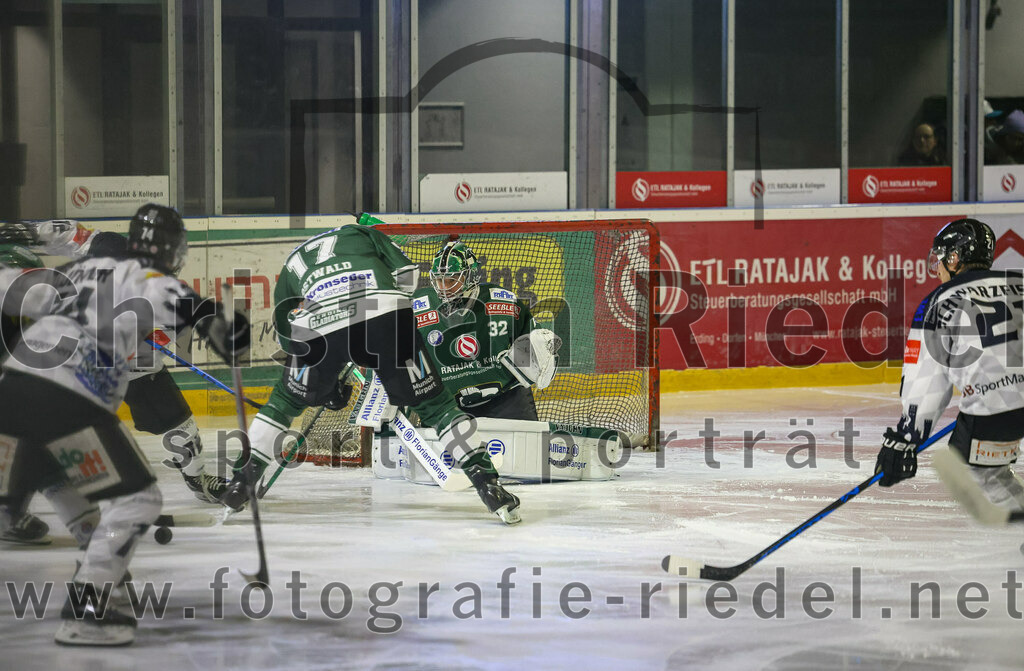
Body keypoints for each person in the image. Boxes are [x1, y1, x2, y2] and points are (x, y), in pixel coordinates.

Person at [0, 203, 249, 645]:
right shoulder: (153, 279)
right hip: (67, 397)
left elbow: (32, 291)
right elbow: (204, 315)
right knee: (138, 499)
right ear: (173, 250)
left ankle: (99, 568)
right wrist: (230, 334)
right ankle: (90, 609)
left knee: (62, 477)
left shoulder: (84, 265)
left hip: (13, 384)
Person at [218, 221, 522, 524]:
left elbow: (284, 323)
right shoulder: (362, 233)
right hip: (385, 311)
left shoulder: (295, 258)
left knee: (284, 401)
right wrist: (387, 328)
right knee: (436, 406)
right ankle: (489, 486)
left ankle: (240, 483)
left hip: (318, 324)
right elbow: (408, 275)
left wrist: (317, 379)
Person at [0, 221, 228, 546]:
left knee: (179, 426)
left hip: (125, 366)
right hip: (78, 365)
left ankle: (197, 479)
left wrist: (151, 336)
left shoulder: (147, 282)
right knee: (53, 441)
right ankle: (20, 510)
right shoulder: (107, 254)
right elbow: (62, 233)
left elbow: (172, 328)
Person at [875, 218, 1024, 518]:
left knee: (983, 470)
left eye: (941, 259)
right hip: (1005, 398)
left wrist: (907, 438)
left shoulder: (939, 301)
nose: (939, 268)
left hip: (998, 406)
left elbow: (927, 382)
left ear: (954, 258)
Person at [410, 239, 559, 422]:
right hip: (446, 406)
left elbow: (537, 344)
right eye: (439, 280)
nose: (444, 288)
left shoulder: (502, 301)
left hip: (506, 401)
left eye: (451, 280)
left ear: (471, 275)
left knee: (524, 450)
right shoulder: (418, 307)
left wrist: (541, 354)